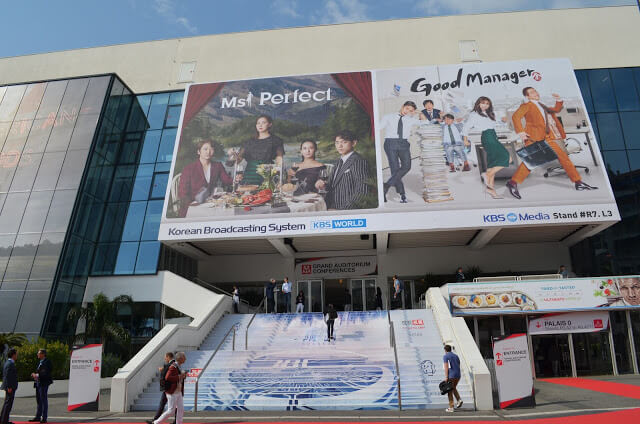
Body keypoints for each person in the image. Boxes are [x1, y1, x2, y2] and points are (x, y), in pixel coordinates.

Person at [507, 87, 597, 199]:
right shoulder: (527, 106)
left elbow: (555, 110)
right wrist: (521, 132)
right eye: (531, 92)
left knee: (564, 158)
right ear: (527, 96)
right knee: (530, 162)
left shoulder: (542, 105)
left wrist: (559, 100)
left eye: (535, 90)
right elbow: (516, 117)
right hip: (533, 138)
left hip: (548, 137)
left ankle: (578, 182)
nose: (535, 93)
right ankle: (512, 183)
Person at [463, 96, 510, 199]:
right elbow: (466, 127)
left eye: (487, 104)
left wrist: (503, 121)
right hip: (487, 136)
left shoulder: (489, 114)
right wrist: (465, 139)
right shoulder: (474, 114)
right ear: (478, 103)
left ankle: (491, 190)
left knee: (492, 163)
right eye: (483, 103)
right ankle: (487, 174)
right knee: (507, 157)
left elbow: (494, 124)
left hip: (493, 135)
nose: (485, 105)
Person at [177, 139, 233, 217]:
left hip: (212, 204)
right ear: (199, 152)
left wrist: (236, 179)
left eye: (211, 149)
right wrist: (191, 204)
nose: (208, 152)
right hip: (193, 205)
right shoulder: (189, 168)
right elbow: (182, 192)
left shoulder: (217, 165)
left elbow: (227, 180)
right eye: (205, 149)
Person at [316, 131, 369, 210]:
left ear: (354, 143)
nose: (340, 146)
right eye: (337, 143)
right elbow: (334, 186)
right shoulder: (339, 161)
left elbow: (362, 190)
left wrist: (342, 211)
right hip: (330, 207)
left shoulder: (358, 161)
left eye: (344, 142)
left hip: (344, 210)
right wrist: (323, 185)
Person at [379, 101, 420, 203]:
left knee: (406, 166)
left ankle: (386, 186)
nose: (408, 112)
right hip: (390, 143)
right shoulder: (388, 116)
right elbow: (378, 127)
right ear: (402, 107)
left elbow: (426, 123)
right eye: (407, 109)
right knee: (395, 169)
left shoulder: (411, 120)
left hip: (403, 143)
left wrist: (420, 113)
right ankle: (402, 195)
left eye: (411, 111)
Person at [236, 115, 284, 185]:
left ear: (270, 124)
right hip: (250, 175)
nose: (260, 125)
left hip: (267, 174)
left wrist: (279, 177)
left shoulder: (276, 140)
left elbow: (279, 160)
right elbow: (238, 159)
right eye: (258, 123)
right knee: (248, 194)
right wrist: (233, 156)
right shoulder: (248, 142)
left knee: (266, 194)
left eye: (263, 122)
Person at [154, 352, 186, 424]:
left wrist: (183, 376)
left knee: (180, 409)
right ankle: (156, 422)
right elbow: (167, 377)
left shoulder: (179, 366)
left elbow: (179, 377)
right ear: (180, 359)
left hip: (178, 391)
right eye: (184, 358)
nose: (185, 359)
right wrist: (179, 376)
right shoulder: (173, 366)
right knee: (171, 410)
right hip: (172, 391)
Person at [146, 352, 175, 424]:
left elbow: (167, 375)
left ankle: (156, 421)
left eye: (165, 357)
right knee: (165, 404)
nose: (165, 359)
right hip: (169, 388)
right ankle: (156, 420)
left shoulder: (172, 364)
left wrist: (162, 370)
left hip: (169, 388)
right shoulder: (172, 364)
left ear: (168, 357)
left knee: (171, 407)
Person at [29, 349, 52, 424]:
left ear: (43, 354)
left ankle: (44, 418)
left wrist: (37, 375)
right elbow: (40, 372)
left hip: (44, 383)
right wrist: (35, 375)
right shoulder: (40, 362)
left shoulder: (47, 362)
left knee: (43, 400)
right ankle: (38, 417)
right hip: (38, 383)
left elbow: (46, 372)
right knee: (39, 400)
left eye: (38, 353)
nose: (37, 355)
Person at [443, 345, 463, 412]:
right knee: (453, 387)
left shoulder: (446, 356)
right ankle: (459, 400)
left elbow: (446, 367)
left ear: (445, 350)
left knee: (449, 391)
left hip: (451, 375)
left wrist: (446, 377)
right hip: (458, 375)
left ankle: (451, 407)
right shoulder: (456, 356)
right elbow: (459, 364)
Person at [1, 348, 18, 424]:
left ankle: (3, 420)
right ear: (13, 355)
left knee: (7, 403)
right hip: (10, 387)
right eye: (16, 354)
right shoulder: (10, 363)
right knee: (8, 404)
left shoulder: (8, 363)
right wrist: (9, 387)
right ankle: (4, 421)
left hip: (9, 386)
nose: (17, 355)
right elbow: (8, 376)